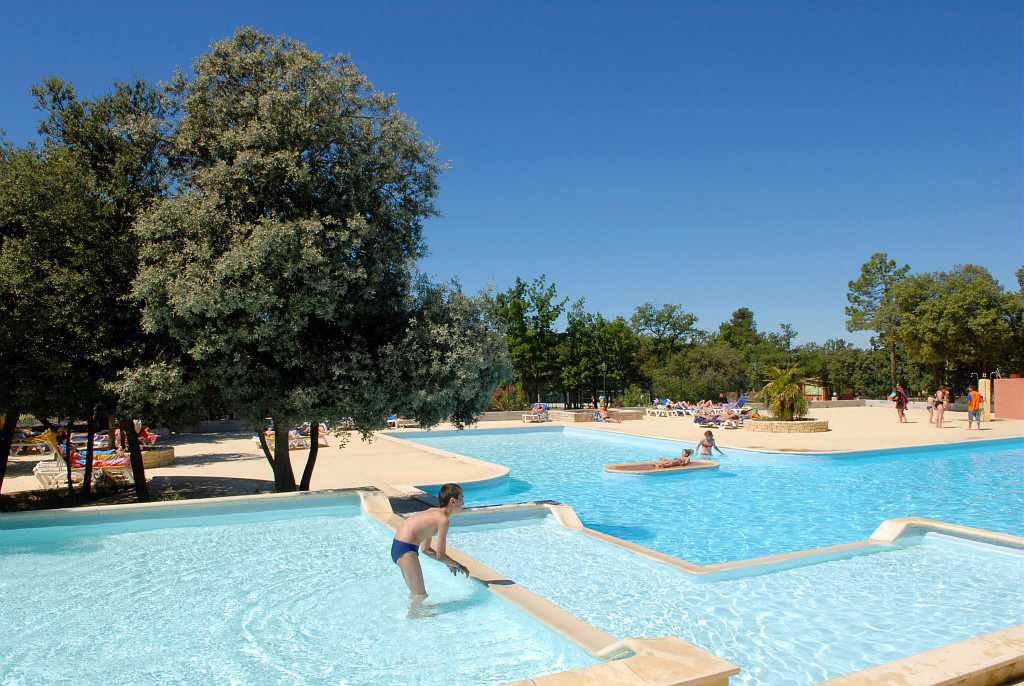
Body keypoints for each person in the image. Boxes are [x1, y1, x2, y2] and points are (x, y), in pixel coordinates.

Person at [391, 483, 469, 598]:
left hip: (399, 547)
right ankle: (414, 616)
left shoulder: (433, 512)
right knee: (420, 596)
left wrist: (449, 563)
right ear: (452, 501)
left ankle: (413, 615)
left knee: (415, 595)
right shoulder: (443, 520)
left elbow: (426, 549)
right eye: (462, 498)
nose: (463, 502)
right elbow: (441, 556)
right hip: (406, 550)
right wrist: (459, 566)